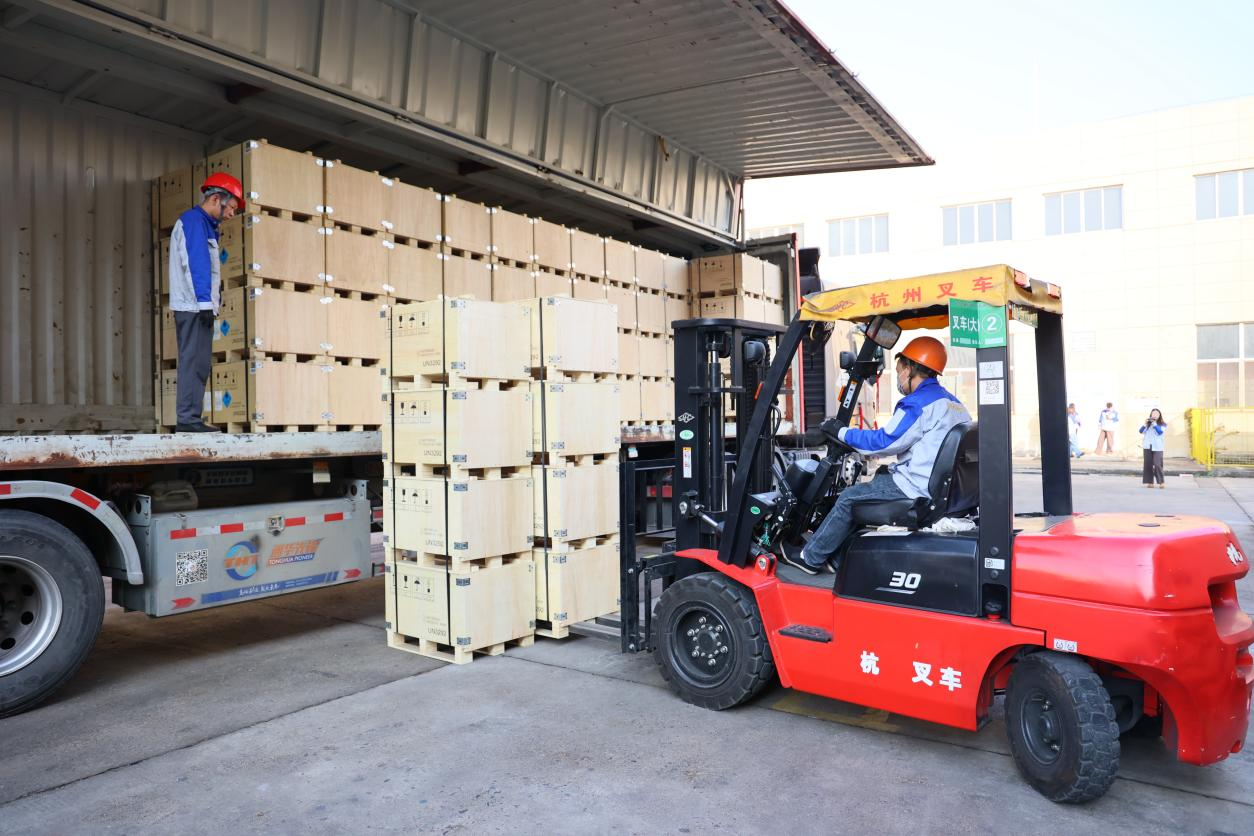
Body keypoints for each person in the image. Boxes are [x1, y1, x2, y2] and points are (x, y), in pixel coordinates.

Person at [780, 336, 972, 575]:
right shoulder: (954, 404)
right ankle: (836, 558)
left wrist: (841, 432)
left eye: (900, 371)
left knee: (849, 497)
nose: (899, 378)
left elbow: (883, 442)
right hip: (942, 490)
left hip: (916, 488)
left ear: (910, 369)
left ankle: (810, 558)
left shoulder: (917, 404)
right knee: (878, 477)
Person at [169, 173, 243, 432]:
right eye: (231, 207)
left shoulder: (206, 225)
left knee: (199, 363)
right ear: (215, 199)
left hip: (198, 306)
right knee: (193, 361)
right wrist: (203, 304)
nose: (232, 214)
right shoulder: (194, 222)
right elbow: (196, 264)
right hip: (192, 307)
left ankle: (191, 418)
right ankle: (188, 420)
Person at [1140, 409, 1167, 488]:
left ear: (1159, 415)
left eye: (1156, 413)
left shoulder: (1163, 424)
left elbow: (1159, 432)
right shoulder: (1148, 424)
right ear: (1151, 415)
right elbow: (1141, 431)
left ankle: (1161, 482)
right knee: (1148, 464)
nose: (1154, 415)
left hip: (1158, 447)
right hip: (1147, 446)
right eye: (1153, 413)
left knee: (1157, 464)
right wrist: (1145, 424)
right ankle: (1150, 482)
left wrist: (1154, 423)